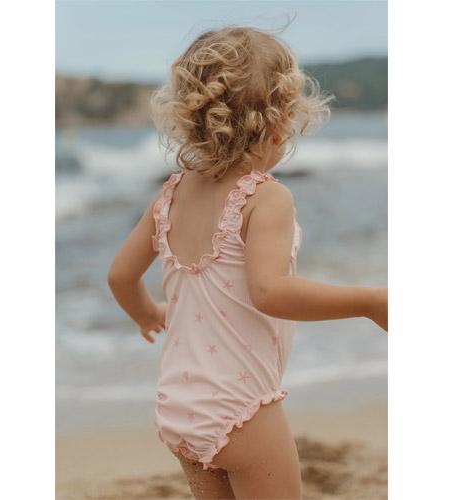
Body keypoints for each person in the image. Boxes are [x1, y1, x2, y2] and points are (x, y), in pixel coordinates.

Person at [108, 26, 387, 500]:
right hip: (241, 410)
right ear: (281, 123)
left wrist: (147, 314)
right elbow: (270, 292)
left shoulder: (170, 195)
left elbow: (120, 276)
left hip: (179, 406)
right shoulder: (267, 197)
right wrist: (369, 301)